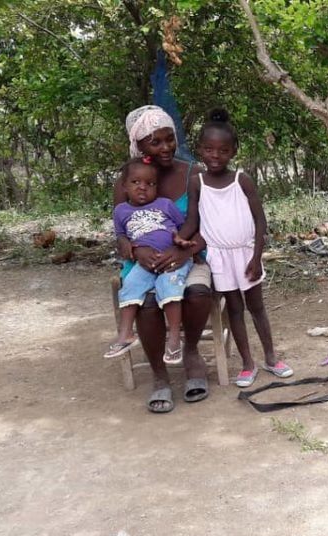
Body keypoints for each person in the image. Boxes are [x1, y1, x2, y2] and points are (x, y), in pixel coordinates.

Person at [114, 105, 214, 413]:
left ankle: (192, 351)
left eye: (169, 139)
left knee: (197, 292)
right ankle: (159, 374)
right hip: (144, 261)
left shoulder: (193, 173)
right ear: (139, 145)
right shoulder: (129, 179)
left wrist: (184, 249)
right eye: (155, 142)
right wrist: (135, 250)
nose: (166, 147)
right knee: (146, 301)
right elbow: (120, 231)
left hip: (191, 254)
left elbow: (211, 224)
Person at [194, 108, 293, 388]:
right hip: (219, 258)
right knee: (234, 310)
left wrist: (256, 256)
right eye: (209, 149)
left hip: (247, 254)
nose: (215, 155)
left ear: (233, 151)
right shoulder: (197, 183)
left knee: (257, 307)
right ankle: (248, 364)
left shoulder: (242, 180)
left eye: (223, 150)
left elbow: (260, 220)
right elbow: (194, 220)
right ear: (200, 149)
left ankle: (272, 358)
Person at [106, 158, 194, 364]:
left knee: (169, 289)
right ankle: (126, 334)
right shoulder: (121, 211)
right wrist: (127, 244)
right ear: (124, 186)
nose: (143, 188)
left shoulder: (165, 205)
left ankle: (173, 338)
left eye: (150, 184)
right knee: (129, 287)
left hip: (171, 259)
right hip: (145, 263)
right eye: (136, 183)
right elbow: (121, 235)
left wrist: (180, 242)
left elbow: (183, 227)